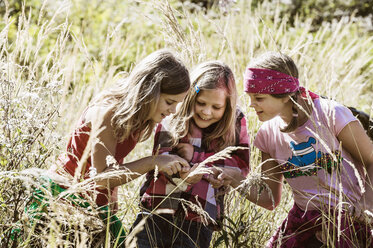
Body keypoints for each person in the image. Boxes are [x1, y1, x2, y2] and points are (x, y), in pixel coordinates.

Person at [25, 49, 191, 246]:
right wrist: (153, 162)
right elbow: (101, 177)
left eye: (177, 104)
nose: (172, 111)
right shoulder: (108, 113)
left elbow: (112, 161)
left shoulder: (136, 115)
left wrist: (110, 202)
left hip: (93, 205)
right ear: (149, 90)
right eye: (169, 102)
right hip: (64, 198)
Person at [210, 52, 373, 247]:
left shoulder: (331, 115)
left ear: (285, 95)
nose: (251, 105)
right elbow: (269, 200)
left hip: (348, 218)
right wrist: (236, 178)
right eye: (250, 97)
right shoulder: (267, 135)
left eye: (259, 98)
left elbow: (371, 160)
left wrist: (366, 202)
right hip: (303, 223)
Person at [130, 61, 251, 248]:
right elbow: (162, 157)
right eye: (201, 103)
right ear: (190, 98)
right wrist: (183, 174)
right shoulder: (172, 115)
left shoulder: (235, 121)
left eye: (216, 107)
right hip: (157, 211)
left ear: (227, 106)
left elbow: (240, 165)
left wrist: (198, 159)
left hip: (198, 220)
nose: (206, 111)